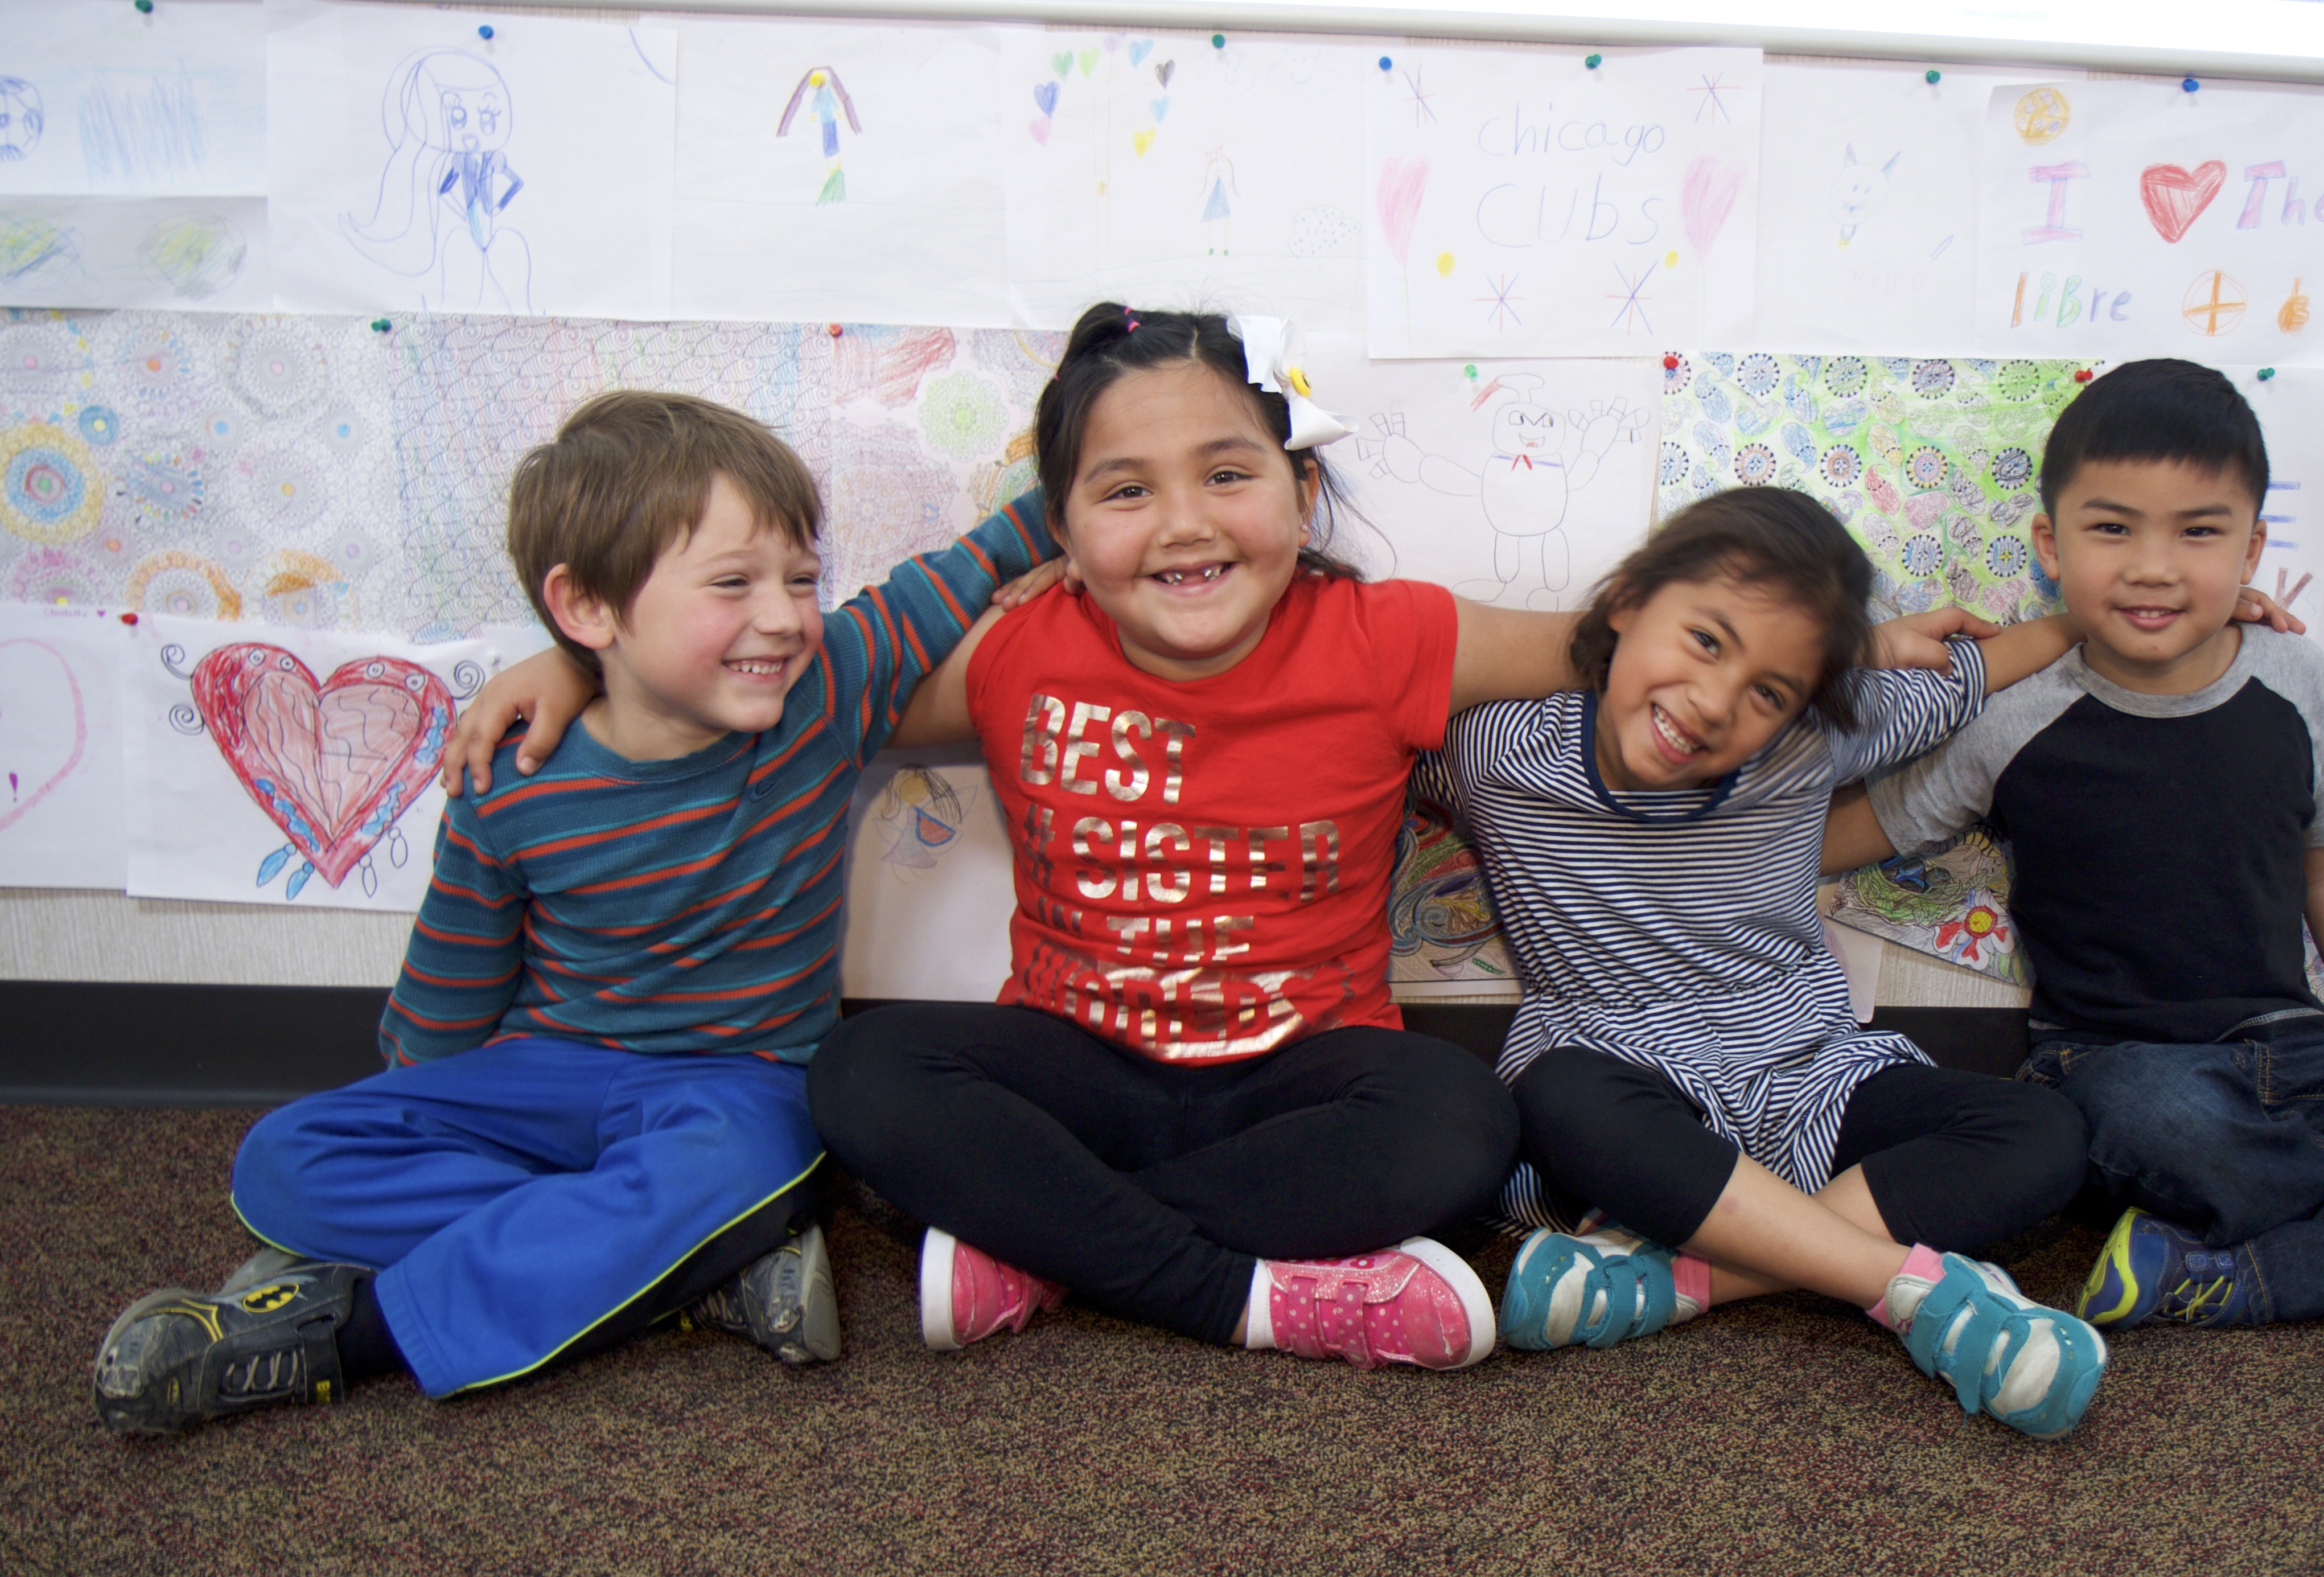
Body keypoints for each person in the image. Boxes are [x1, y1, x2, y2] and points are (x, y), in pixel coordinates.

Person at [90, 391, 1057, 1434]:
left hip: (734, 1086)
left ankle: (344, 1332)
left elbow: (983, 554)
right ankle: (693, 1267)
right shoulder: (513, 781)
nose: (783, 615)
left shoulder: (834, 680)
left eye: (801, 579)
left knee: (757, 1160)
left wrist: (1172, 469)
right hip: (546, 1072)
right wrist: (420, 1111)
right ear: (588, 609)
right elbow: (446, 994)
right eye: (733, 582)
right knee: (283, 1159)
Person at [805, 305, 1589, 1373]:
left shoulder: (1389, 637)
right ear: (1064, 538)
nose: (1183, 522)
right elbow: (799, 701)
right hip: (1071, 1076)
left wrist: (1854, 642)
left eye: (1227, 475)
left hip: (1301, 1083)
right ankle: (1247, 1297)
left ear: (1303, 497)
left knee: (1462, 1118)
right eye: (1125, 492)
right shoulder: (1018, 648)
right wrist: (580, 672)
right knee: (863, 1065)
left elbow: (1609, 649)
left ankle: (1047, 1245)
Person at [1432, 487, 2296, 1439]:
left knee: (2043, 1132)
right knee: (1558, 1099)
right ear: (1627, 603)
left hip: (1810, 1071)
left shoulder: (1821, 735)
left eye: (1769, 689)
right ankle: (1909, 1292)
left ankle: (1682, 1280)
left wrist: (2184, 625)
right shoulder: (1492, 752)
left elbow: (1979, 668)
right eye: (1705, 640)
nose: (1713, 703)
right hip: (1626, 1079)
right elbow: (1361, 710)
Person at [1821, 359, 2324, 1334]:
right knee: (2153, 1113)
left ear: (2251, 547)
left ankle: (2236, 1267)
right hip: (2117, 1067)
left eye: (2198, 532)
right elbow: (1845, 837)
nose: (2154, 566)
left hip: (2300, 1059)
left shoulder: (2294, 679)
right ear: (2050, 543)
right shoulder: (2014, 716)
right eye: (2111, 528)